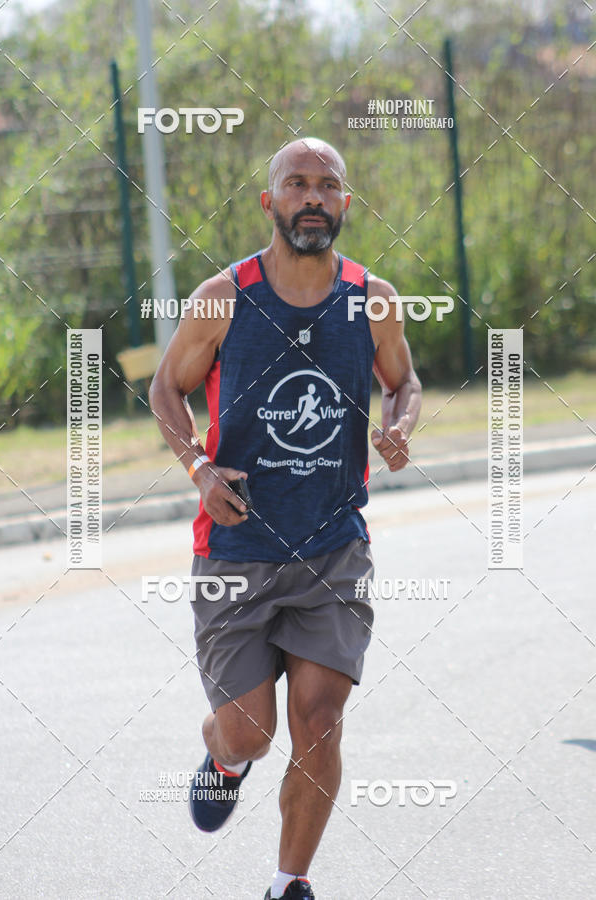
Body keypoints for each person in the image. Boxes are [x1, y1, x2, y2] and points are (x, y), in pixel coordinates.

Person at [149, 137, 421, 900]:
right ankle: (224, 755)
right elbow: (165, 389)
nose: (311, 197)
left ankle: (288, 883)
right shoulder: (224, 297)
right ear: (269, 203)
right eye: (295, 184)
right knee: (252, 731)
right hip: (235, 550)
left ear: (344, 204)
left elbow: (404, 381)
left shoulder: (373, 297)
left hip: (334, 550)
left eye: (326, 185)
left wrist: (400, 422)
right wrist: (198, 469)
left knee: (320, 719)